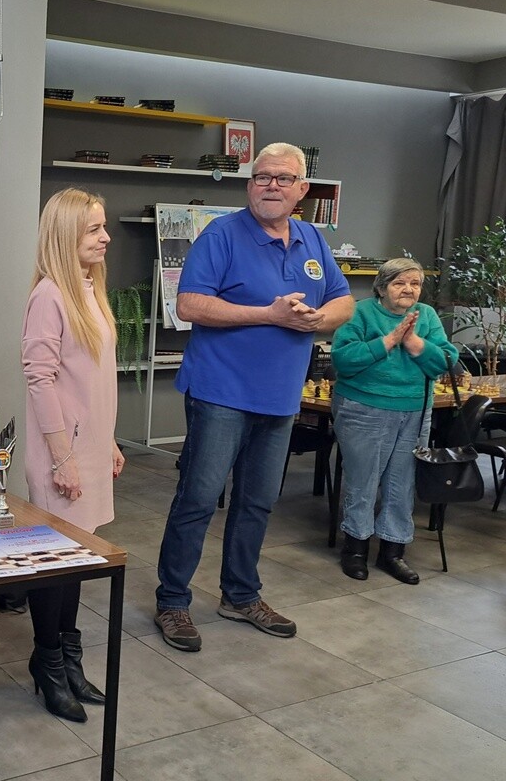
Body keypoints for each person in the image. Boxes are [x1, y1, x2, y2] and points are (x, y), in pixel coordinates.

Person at [153, 143, 355, 652]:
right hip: (220, 393)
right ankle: (172, 601)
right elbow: (189, 304)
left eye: (283, 178)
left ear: (301, 190)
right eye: (262, 176)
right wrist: (269, 314)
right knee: (198, 500)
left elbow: (344, 301)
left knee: (257, 503)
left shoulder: (312, 238)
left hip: (280, 397)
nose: (271, 186)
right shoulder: (221, 235)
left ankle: (240, 595)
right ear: (250, 185)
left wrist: (318, 319)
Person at [21, 188, 126, 722]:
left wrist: (108, 441)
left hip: (88, 449)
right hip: (61, 454)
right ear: (65, 235)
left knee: (76, 561)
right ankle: (48, 664)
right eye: (94, 229)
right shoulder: (50, 295)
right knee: (54, 565)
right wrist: (63, 458)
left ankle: (68, 661)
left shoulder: (90, 289)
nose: (106, 238)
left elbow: (94, 381)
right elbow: (39, 379)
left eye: (104, 227)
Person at [331, 258, 457, 584]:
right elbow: (343, 360)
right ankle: (355, 549)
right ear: (382, 287)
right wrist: (388, 341)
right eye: (399, 283)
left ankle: (393, 552)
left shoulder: (426, 316)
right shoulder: (360, 312)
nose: (408, 289)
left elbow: (446, 360)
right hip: (363, 409)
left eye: (415, 284)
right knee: (363, 482)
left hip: (415, 412)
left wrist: (414, 343)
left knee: (402, 484)